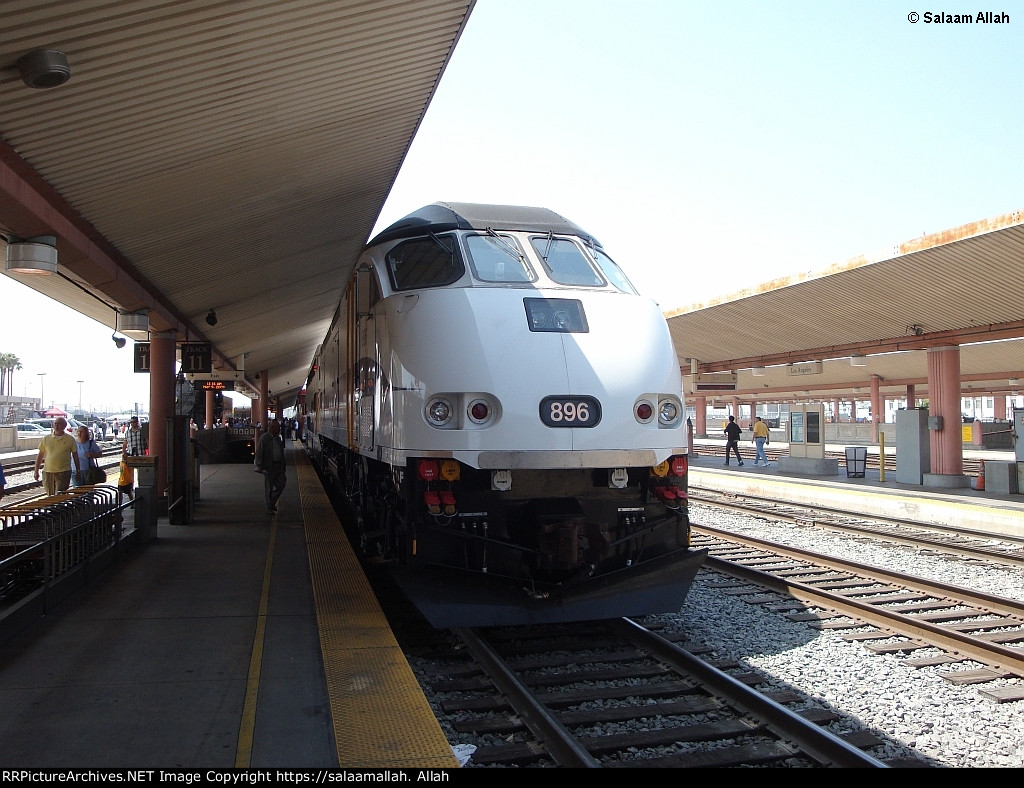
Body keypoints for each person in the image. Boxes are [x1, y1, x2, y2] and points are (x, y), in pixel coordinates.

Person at [33, 416, 80, 495]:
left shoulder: (70, 439)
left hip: (64, 471)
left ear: (64, 426)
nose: (57, 426)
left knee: (60, 494)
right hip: (48, 472)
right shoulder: (46, 438)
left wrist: (78, 471)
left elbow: (75, 455)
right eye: (55, 424)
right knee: (50, 495)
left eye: (59, 424)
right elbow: (40, 455)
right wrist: (36, 471)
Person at [254, 419, 287, 513]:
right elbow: (259, 452)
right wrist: (259, 465)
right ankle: (269, 506)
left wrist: (283, 464)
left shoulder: (278, 438)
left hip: (278, 466)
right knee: (269, 487)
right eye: (278, 428)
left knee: (282, 483)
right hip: (269, 466)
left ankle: (270, 502)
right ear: (272, 428)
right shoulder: (264, 438)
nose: (280, 429)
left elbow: (281, 451)